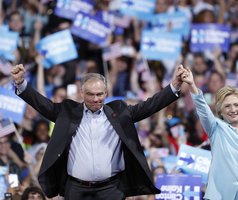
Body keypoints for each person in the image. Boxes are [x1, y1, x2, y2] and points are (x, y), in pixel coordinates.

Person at [10, 64, 185, 199]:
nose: (96, 99)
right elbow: (42, 104)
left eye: (100, 94)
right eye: (91, 94)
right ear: (81, 93)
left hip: (111, 189)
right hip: (76, 189)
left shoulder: (120, 112)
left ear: (107, 93)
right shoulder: (67, 112)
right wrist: (20, 83)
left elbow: (151, 105)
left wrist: (175, 85)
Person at [180, 66, 238, 199]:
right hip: (220, 196)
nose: (233, 109)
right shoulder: (216, 127)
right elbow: (202, 108)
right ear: (220, 111)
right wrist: (192, 85)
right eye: (227, 106)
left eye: (236, 105)